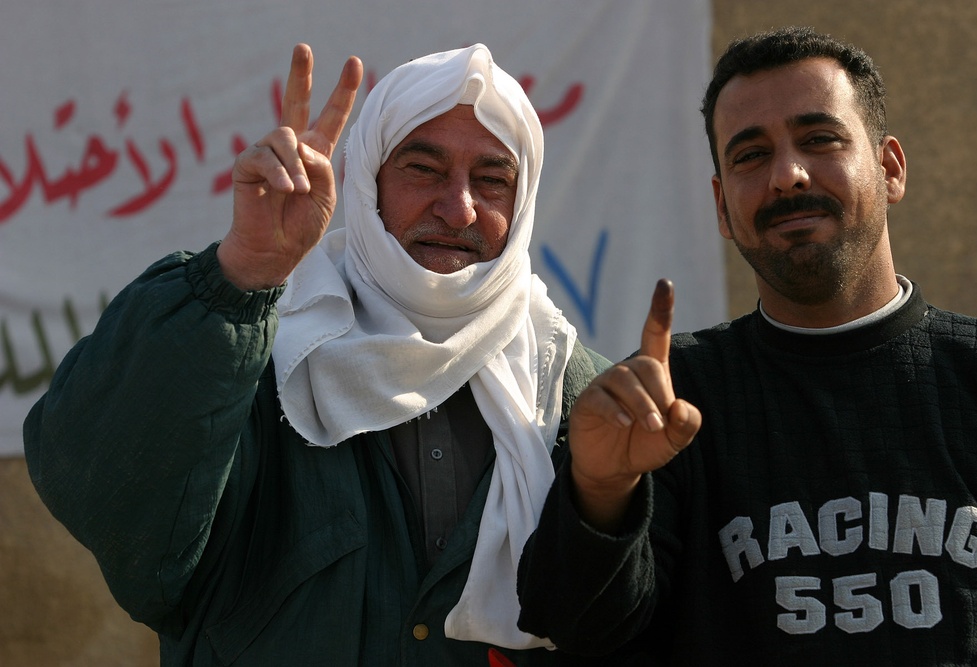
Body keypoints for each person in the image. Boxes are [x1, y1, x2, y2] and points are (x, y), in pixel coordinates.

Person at [24, 42, 614, 666]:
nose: (459, 206)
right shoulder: (257, 348)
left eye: (492, 179)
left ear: (520, 205)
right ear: (367, 185)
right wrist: (241, 275)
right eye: (424, 168)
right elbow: (118, 507)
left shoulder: (569, 391)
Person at [516, 26, 977, 665]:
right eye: (749, 155)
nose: (788, 176)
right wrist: (601, 492)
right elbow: (580, 630)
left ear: (889, 169)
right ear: (722, 206)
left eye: (819, 139)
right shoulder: (667, 401)